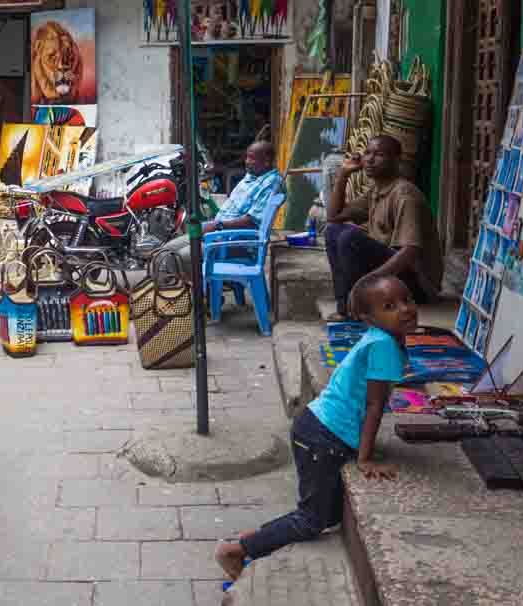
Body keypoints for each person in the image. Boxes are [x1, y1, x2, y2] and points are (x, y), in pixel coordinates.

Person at [214, 274, 414, 582]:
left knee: (329, 512)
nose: (405, 309)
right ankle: (235, 549)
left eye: (407, 300)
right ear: (369, 317)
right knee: (313, 518)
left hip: (318, 428)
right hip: (324, 436)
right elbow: (375, 406)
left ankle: (251, 538)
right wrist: (364, 459)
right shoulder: (384, 345)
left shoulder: (382, 338)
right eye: (390, 306)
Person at [325, 134, 443, 320]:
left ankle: (358, 303)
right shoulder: (377, 191)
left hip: (417, 285)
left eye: (379, 155)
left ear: (396, 161)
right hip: (392, 275)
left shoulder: (404, 194)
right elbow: (333, 217)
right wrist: (343, 174)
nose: (370, 160)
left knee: (350, 239)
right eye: (367, 153)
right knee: (333, 232)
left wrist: (367, 282)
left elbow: (410, 251)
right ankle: (347, 308)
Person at [155, 140, 285, 281]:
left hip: (236, 242)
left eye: (252, 158)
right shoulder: (254, 175)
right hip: (218, 235)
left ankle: (204, 292)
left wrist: (218, 225)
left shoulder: (271, 182)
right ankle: (202, 288)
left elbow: (251, 221)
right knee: (164, 252)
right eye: (247, 157)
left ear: (266, 161)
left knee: (176, 258)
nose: (247, 161)